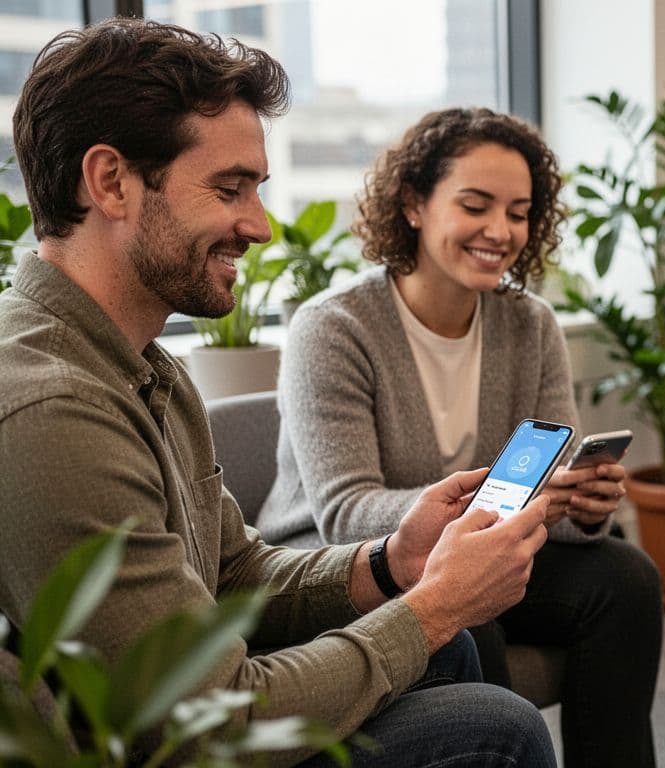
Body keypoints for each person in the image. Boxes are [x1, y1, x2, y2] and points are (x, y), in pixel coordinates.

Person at [0, 19, 556, 768]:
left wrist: (393, 561)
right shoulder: (55, 409)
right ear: (110, 182)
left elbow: (235, 575)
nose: (258, 226)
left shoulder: (145, 367)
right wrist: (435, 605)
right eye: (230, 190)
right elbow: (195, 726)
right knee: (495, 723)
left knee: (450, 657)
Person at [254, 107, 662, 767]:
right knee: (473, 609)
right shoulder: (333, 329)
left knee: (625, 577)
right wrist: (498, 510)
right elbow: (345, 512)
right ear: (413, 203)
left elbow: (548, 501)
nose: (500, 231)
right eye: (476, 205)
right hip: (347, 565)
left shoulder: (530, 326)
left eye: (519, 212)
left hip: (485, 547)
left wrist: (580, 504)